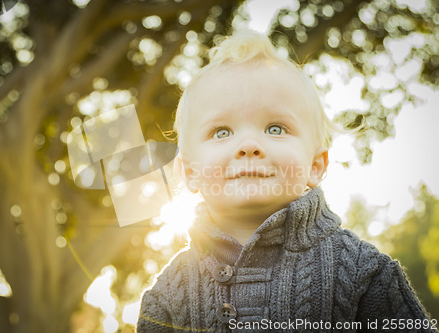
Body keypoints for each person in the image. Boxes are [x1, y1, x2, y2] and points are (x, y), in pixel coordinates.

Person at [136, 30, 435, 332]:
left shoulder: (363, 272)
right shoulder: (169, 292)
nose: (249, 144)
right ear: (189, 172)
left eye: (276, 129)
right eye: (222, 132)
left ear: (315, 166)